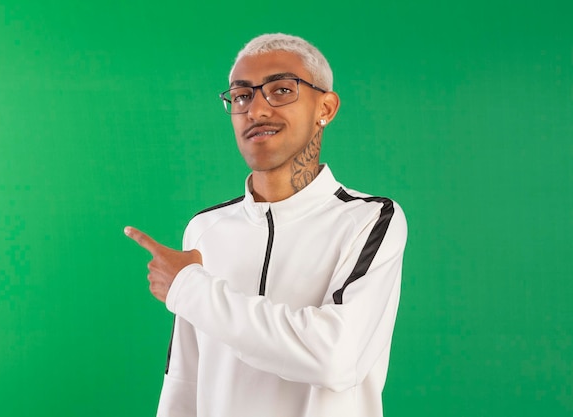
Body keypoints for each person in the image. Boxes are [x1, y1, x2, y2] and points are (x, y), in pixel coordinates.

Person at [125, 33, 408, 417]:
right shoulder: (205, 229)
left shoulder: (369, 219)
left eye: (281, 90)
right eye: (241, 96)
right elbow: (184, 380)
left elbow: (337, 357)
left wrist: (191, 288)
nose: (255, 110)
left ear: (325, 107)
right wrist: (191, 289)